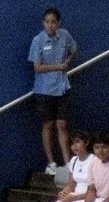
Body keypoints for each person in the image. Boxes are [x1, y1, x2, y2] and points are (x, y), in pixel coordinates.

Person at [28, 7, 78, 176]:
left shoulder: (64, 35)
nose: (50, 25)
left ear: (58, 23)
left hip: (62, 87)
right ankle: (51, 163)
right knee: (48, 125)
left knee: (62, 124)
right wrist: (59, 66)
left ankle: (67, 161)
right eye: (47, 22)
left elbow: (74, 48)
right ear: (43, 23)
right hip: (44, 90)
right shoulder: (38, 40)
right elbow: (37, 67)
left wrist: (68, 62)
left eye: (53, 22)